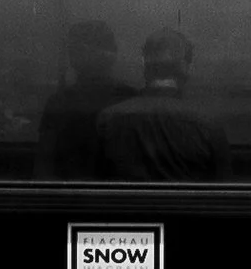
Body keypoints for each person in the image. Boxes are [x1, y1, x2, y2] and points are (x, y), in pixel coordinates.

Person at [97, 24, 223, 181]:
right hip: (187, 205)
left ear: (144, 64)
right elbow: (223, 182)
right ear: (185, 67)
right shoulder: (206, 123)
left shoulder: (109, 119)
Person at [38, 18, 121, 172]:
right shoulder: (129, 98)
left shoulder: (58, 103)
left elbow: (44, 169)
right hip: (121, 194)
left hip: (69, 192)